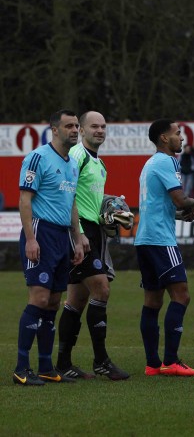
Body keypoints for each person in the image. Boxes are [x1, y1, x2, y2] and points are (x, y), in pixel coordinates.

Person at [55, 111, 130, 381]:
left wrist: (109, 211)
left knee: (76, 299)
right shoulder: (78, 155)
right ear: (83, 131)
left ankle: (63, 364)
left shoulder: (100, 163)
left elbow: (89, 199)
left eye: (103, 126)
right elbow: (68, 194)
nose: (99, 130)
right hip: (81, 232)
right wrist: (79, 234)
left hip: (93, 231)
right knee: (101, 288)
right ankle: (101, 361)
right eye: (93, 126)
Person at [14, 110, 84, 386]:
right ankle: (21, 367)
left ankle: (45, 366)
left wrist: (77, 240)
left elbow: (72, 205)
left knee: (54, 302)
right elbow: (24, 200)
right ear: (54, 130)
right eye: (69, 126)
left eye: (77, 126)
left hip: (62, 237)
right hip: (41, 231)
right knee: (40, 299)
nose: (75, 130)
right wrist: (31, 238)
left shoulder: (73, 164)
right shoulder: (38, 157)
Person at [136, 119, 194, 377]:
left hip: (145, 239)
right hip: (161, 241)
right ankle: (171, 360)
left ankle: (153, 364)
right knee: (182, 296)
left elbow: (155, 205)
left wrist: (177, 215)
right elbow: (179, 198)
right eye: (177, 134)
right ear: (164, 138)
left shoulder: (150, 163)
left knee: (152, 301)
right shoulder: (166, 161)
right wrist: (192, 203)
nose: (181, 138)